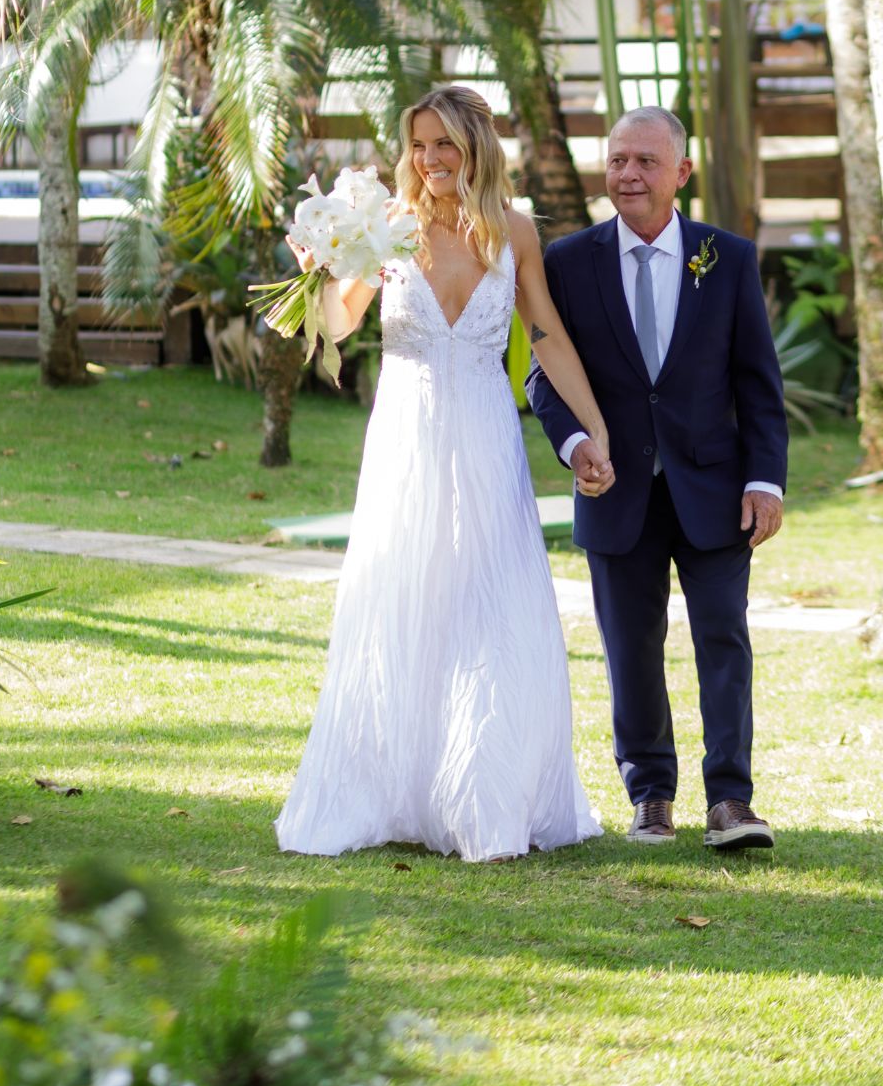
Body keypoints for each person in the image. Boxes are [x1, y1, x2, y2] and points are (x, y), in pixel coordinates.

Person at [275, 86, 607, 863]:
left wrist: (592, 430)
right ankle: (392, 789)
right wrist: (320, 266)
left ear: (477, 148)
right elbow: (335, 323)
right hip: (407, 438)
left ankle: (485, 795)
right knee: (407, 598)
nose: (429, 161)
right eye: (419, 145)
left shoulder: (515, 232)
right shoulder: (388, 227)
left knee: (490, 605)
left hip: (486, 434)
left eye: (445, 145)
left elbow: (548, 338)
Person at [527, 106, 788, 850]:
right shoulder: (567, 262)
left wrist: (764, 481)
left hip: (713, 491)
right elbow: (545, 378)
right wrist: (575, 441)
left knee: (722, 640)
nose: (627, 174)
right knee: (628, 647)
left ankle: (731, 801)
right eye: (616, 160)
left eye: (644, 161)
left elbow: (757, 384)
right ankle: (650, 796)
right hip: (616, 494)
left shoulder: (726, 257)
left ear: (681, 171)